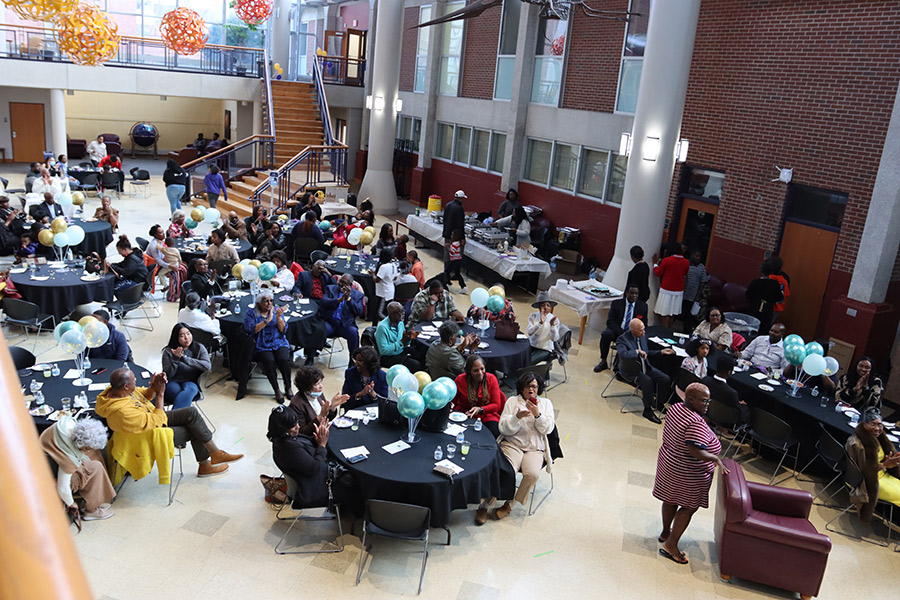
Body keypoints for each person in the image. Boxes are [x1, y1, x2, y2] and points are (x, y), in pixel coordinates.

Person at [96, 368, 242, 476]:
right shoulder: (121, 412)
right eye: (133, 379)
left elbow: (144, 395)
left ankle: (214, 455)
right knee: (195, 428)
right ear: (125, 386)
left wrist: (154, 386)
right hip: (149, 436)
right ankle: (206, 464)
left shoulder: (122, 391)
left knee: (191, 413)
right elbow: (157, 420)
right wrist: (160, 394)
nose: (136, 380)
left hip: (151, 420)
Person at [652, 382, 728, 565]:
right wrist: (715, 459)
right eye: (704, 401)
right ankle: (671, 545)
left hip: (669, 463)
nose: (707, 405)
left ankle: (665, 532)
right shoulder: (695, 422)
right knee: (688, 507)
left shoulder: (676, 408)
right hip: (687, 471)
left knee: (670, 498)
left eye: (709, 401)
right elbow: (695, 450)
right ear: (690, 399)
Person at [491, 371, 555, 522]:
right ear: (522, 388)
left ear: (539, 388)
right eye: (528, 386)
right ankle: (486, 504)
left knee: (533, 474)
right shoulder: (512, 401)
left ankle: (510, 505)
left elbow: (548, 429)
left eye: (534, 386)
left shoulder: (546, 404)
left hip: (534, 448)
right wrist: (516, 417)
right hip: (513, 444)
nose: (531, 389)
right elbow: (503, 428)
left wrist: (538, 415)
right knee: (506, 471)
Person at [267, 406, 356, 510]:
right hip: (313, 489)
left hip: (313, 477)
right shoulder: (288, 447)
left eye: (297, 423)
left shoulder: (284, 438)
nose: (298, 427)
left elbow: (306, 444)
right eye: (293, 426)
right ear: (283, 430)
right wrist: (322, 445)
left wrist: (319, 436)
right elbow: (314, 468)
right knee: (355, 485)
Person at [40, 416, 116, 525]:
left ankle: (95, 502)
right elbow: (62, 488)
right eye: (88, 448)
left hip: (50, 462)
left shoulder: (68, 424)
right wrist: (71, 503)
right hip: (50, 479)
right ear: (83, 447)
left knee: (95, 462)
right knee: (93, 469)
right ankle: (92, 511)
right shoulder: (68, 457)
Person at [845, 407, 900, 522]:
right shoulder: (856, 443)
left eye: (880, 425)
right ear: (864, 424)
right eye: (872, 424)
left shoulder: (878, 439)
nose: (877, 428)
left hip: (884, 476)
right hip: (867, 482)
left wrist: (891, 462)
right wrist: (885, 464)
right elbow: (863, 472)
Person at [616, 318, 675, 424]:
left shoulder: (643, 337)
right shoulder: (623, 339)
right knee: (647, 381)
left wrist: (660, 352)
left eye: (643, 329)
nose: (644, 332)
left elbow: (646, 353)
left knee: (665, 379)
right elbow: (623, 355)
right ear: (632, 330)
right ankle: (647, 410)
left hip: (645, 367)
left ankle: (658, 402)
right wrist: (636, 352)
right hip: (631, 369)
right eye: (641, 330)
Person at [243, 291, 293, 403]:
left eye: (271, 300)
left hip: (278, 341)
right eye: (266, 301)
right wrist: (267, 320)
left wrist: (279, 318)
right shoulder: (252, 313)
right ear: (259, 302)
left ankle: (288, 386)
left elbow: (283, 330)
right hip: (262, 344)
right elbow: (250, 330)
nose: (269, 303)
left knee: (284, 359)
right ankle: (276, 389)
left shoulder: (276, 310)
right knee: (268, 360)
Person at [594, 285, 647, 373]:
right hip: (618, 331)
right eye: (632, 293)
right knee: (605, 334)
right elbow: (610, 322)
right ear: (626, 293)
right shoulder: (616, 303)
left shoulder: (643, 306)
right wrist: (622, 334)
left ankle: (619, 366)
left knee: (634, 340)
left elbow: (645, 323)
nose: (634, 296)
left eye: (636, 294)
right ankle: (603, 361)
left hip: (632, 334)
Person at [453, 355, 505, 438]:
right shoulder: (460, 380)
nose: (480, 373)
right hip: (465, 414)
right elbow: (453, 401)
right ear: (469, 371)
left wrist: (480, 409)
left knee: (494, 434)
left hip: (487, 414)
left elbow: (496, 405)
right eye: (475, 370)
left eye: (482, 369)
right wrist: (451, 405)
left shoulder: (491, 379)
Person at [289, 366, 349, 436]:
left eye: (321, 382)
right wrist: (320, 417)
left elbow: (328, 418)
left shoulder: (318, 394)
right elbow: (302, 432)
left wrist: (332, 407)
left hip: (324, 431)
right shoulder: (296, 404)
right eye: (317, 384)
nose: (321, 386)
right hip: (312, 438)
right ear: (306, 387)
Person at [161, 324, 210, 409]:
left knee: (190, 390)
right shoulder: (168, 351)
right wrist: (175, 359)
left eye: (188, 334)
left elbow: (207, 366)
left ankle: (173, 419)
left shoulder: (199, 348)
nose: (186, 338)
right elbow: (168, 374)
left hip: (191, 381)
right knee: (181, 395)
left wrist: (185, 359)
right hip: (172, 381)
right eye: (182, 336)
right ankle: (178, 419)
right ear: (176, 337)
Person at [319, 274, 365, 357]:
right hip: (330, 322)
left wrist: (349, 299)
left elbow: (359, 311)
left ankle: (353, 362)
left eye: (344, 283)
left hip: (345, 324)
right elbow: (323, 302)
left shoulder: (358, 295)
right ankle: (310, 357)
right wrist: (338, 300)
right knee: (319, 330)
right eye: (340, 281)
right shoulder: (330, 288)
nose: (340, 284)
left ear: (350, 285)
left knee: (354, 334)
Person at [701, 354, 749, 425]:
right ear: (729, 372)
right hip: (724, 418)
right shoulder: (731, 393)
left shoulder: (705, 380)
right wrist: (740, 405)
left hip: (706, 411)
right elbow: (737, 410)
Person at [652, 242, 690, 329]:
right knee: (673, 313)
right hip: (678, 291)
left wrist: (655, 264)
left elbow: (658, 273)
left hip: (667, 290)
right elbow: (685, 273)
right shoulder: (686, 262)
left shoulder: (667, 260)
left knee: (665, 314)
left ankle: (665, 332)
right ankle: (669, 330)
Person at [375, 301, 422, 371]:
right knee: (415, 365)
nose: (403, 313)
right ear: (392, 314)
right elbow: (383, 351)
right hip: (388, 357)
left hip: (400, 350)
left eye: (403, 310)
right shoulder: (382, 327)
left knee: (421, 354)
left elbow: (404, 344)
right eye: (400, 312)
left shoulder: (400, 322)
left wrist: (408, 338)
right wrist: (402, 341)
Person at [342, 346, 388, 411]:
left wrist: (373, 395)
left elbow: (385, 402)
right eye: (355, 360)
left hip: (373, 411)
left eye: (360, 361)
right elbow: (345, 399)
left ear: (370, 363)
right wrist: (359, 394)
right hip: (355, 409)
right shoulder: (350, 373)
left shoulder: (381, 376)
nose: (356, 363)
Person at [745, 260, 784, 335]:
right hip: (767, 309)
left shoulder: (755, 282)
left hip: (754, 308)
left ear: (761, 271)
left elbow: (748, 295)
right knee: (764, 329)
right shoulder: (775, 284)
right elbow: (779, 298)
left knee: (751, 328)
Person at [527, 291, 560, 364]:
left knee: (528, 362)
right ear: (539, 307)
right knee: (520, 357)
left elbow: (554, 338)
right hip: (532, 345)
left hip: (545, 349)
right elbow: (529, 332)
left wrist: (552, 326)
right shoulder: (533, 316)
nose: (545, 307)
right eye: (543, 305)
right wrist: (540, 323)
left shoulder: (554, 319)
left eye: (548, 305)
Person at [681, 249, 710, 331]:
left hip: (693, 294)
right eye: (696, 256)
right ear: (692, 255)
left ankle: (687, 330)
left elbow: (703, 282)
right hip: (683, 291)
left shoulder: (701, 268)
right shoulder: (686, 264)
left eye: (699, 257)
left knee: (689, 313)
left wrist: (698, 295)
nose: (698, 258)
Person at [372, 247, 398, 323]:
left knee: (379, 312)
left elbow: (377, 280)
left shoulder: (384, 267)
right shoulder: (393, 265)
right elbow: (395, 277)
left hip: (383, 292)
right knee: (387, 310)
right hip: (390, 290)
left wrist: (373, 274)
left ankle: (391, 323)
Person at [146, 224, 175, 289]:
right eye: (161, 233)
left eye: (163, 231)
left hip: (162, 261)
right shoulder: (154, 246)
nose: (164, 234)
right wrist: (169, 265)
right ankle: (170, 288)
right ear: (155, 235)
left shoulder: (160, 241)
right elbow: (159, 261)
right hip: (154, 266)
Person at [443, 229, 467, 293]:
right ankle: (463, 286)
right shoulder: (458, 243)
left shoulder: (454, 244)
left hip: (454, 261)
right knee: (457, 273)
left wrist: (447, 247)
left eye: (452, 235)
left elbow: (452, 253)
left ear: (456, 237)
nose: (451, 236)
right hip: (458, 260)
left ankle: (447, 283)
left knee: (447, 271)